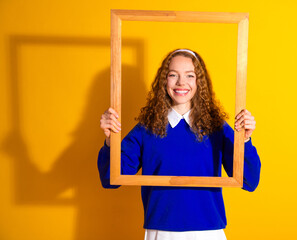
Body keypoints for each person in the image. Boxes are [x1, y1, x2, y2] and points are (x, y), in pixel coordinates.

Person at [98, 49, 261, 240]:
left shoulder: (216, 128)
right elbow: (111, 179)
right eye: (173, 75)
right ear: (163, 82)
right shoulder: (146, 129)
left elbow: (250, 180)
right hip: (161, 231)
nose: (181, 83)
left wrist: (245, 140)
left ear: (199, 82)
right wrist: (111, 140)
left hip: (207, 232)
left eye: (189, 76)